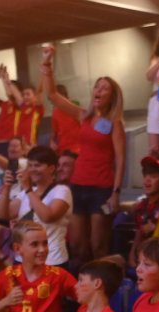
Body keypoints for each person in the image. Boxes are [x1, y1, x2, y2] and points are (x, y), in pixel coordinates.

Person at [40, 44, 125, 263]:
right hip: (79, 185)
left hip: (102, 188)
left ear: (112, 96)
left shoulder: (115, 123)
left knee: (99, 247)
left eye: (105, 88)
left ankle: (108, 289)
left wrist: (116, 192)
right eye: (97, 86)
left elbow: (121, 158)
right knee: (78, 246)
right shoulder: (83, 116)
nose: (99, 90)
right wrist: (47, 63)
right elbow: (52, 94)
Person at [0, 146, 72, 267]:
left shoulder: (62, 191)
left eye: (37, 165)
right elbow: (4, 214)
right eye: (30, 165)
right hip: (23, 259)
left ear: (52, 168)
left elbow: (47, 216)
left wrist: (28, 188)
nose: (32, 170)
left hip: (52, 260)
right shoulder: (26, 193)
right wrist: (7, 187)